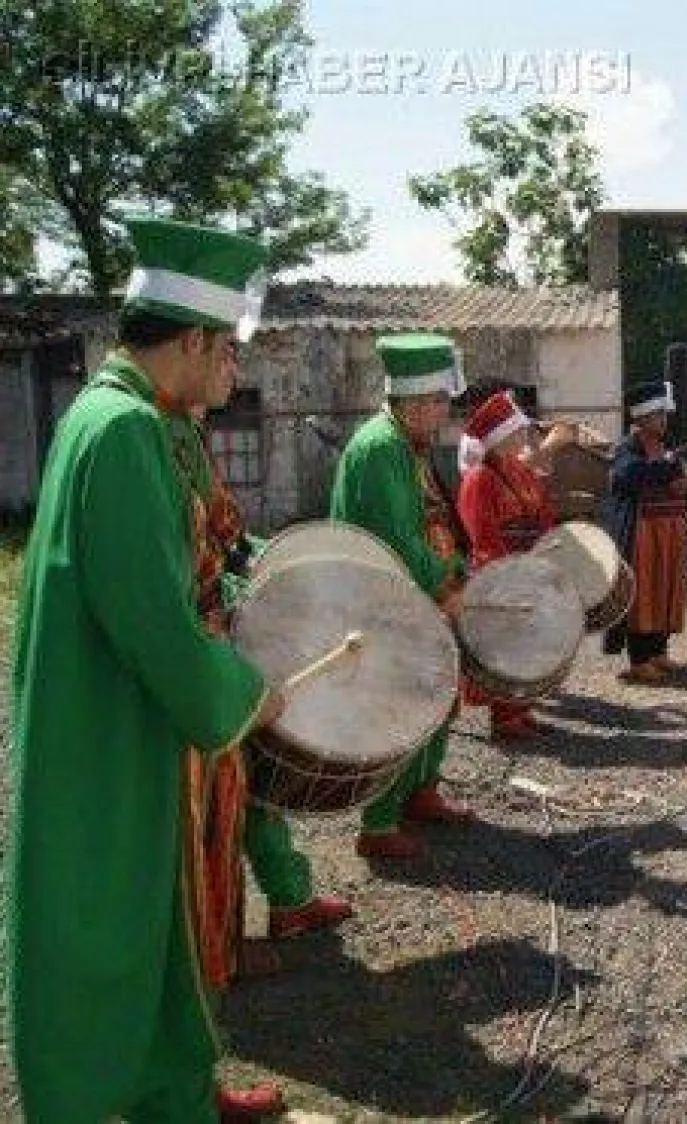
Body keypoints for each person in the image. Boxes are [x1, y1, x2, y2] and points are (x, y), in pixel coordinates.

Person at [6, 215, 289, 1122]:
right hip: (104, 728)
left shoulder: (117, 414)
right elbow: (153, 626)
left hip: (122, 715)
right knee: (99, 930)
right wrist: (246, 694)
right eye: (230, 351)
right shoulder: (123, 431)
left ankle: (176, 1093)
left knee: (163, 914)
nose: (233, 372)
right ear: (197, 338)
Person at [184, 349, 351, 988]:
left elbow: (229, 543)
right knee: (214, 808)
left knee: (250, 786)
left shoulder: (189, 442)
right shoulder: (152, 441)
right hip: (204, 663)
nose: (233, 366)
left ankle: (288, 899)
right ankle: (214, 950)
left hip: (228, 646)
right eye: (222, 351)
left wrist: (279, 563)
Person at [332, 333, 473, 860]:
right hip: (386, 600)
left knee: (439, 698)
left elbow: (430, 521)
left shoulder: (405, 444)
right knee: (400, 706)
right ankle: (379, 822)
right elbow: (397, 541)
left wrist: (455, 570)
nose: (445, 412)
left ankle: (420, 790)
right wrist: (444, 585)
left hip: (417, 594)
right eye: (439, 402)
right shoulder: (380, 447)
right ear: (413, 402)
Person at [455, 389, 557, 740]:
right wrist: (509, 573)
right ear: (500, 438)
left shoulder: (520, 470)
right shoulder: (479, 478)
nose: (522, 437)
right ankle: (504, 716)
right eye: (516, 432)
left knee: (527, 644)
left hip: (527, 564)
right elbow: (481, 532)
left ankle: (521, 707)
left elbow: (543, 512)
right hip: (499, 571)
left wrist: (547, 551)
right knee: (504, 647)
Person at [603, 380, 687, 684]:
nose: (664, 421)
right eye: (657, 415)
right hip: (641, 534)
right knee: (644, 595)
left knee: (665, 590)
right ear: (640, 418)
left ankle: (658, 651)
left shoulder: (663, 448)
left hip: (666, 532)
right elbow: (630, 476)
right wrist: (671, 469)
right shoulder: (626, 448)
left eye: (664, 415)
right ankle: (639, 659)